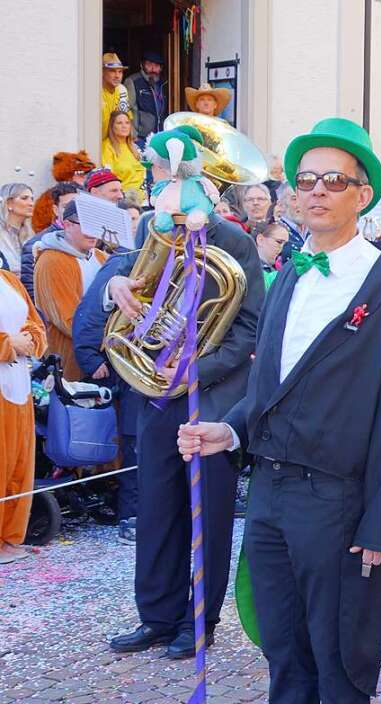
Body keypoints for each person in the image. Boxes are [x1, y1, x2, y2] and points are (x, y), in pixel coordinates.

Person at [177, 117, 381, 704]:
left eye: (333, 180)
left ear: (361, 194)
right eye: (305, 180)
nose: (315, 191)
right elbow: (270, 380)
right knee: (284, 651)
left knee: (342, 660)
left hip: (339, 504)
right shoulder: (290, 271)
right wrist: (228, 427)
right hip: (269, 496)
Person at [105, 129, 264, 662]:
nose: (166, 185)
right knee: (155, 510)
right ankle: (157, 615)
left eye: (176, 176)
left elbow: (249, 329)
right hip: (154, 394)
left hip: (211, 398)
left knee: (207, 516)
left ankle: (199, 622)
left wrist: (197, 367)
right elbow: (131, 283)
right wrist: (115, 286)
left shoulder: (236, 241)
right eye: (161, 177)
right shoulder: (155, 230)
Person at [72, 250, 141, 545]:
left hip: (162, 366)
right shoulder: (125, 260)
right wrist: (89, 357)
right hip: (130, 367)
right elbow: (89, 311)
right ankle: (131, 516)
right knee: (135, 442)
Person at [0, 269, 47, 565]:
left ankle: (10, 537)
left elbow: (35, 320)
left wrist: (31, 338)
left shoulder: (8, 278)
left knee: (19, 462)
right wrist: (7, 343)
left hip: (18, 381)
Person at [33, 201, 109, 381]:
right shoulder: (52, 261)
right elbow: (68, 320)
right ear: (67, 224)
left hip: (102, 353)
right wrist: (94, 354)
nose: (93, 232)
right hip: (72, 364)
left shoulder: (100, 256)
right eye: (87, 225)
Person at [21, 182, 81, 301]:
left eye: (79, 206)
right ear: (55, 209)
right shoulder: (36, 244)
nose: (75, 211)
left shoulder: (94, 239)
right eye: (67, 207)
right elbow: (32, 291)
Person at [31, 151, 94, 234]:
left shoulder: (88, 195)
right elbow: (41, 227)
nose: (85, 177)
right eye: (80, 173)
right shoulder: (50, 198)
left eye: (88, 173)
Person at [125, 52, 167, 142]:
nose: (153, 69)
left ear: (161, 68)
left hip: (159, 136)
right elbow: (127, 110)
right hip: (140, 137)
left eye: (156, 66)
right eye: (149, 65)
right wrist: (133, 135)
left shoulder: (163, 84)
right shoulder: (133, 81)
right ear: (142, 65)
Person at [101, 111, 146, 194]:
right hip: (122, 198)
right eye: (119, 123)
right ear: (112, 126)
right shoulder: (107, 147)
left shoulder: (135, 147)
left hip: (142, 199)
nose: (124, 126)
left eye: (127, 123)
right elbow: (108, 177)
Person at [0, 183, 35, 278]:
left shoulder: (30, 235)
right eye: (24, 198)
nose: (31, 203)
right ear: (8, 203)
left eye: (32, 199)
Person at [251, 219, 289, 289]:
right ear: (260, 239)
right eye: (279, 242)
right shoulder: (247, 269)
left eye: (284, 244)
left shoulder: (274, 271)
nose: (281, 249)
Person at [101, 53, 130, 137]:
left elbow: (126, 120)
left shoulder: (122, 90)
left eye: (120, 72)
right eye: (112, 71)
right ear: (102, 72)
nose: (117, 76)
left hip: (115, 142)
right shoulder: (93, 92)